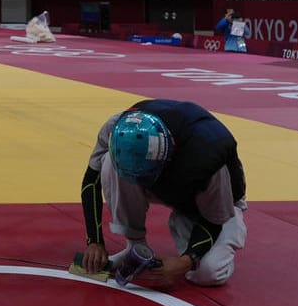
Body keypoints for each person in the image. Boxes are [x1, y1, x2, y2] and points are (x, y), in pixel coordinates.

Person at [78, 99, 247, 288]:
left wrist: (185, 261)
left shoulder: (207, 159)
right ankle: (136, 246)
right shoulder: (118, 128)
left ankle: (185, 220)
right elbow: (91, 181)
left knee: (209, 273)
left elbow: (214, 221)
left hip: (213, 204)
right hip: (166, 184)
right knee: (110, 162)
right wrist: (94, 241)